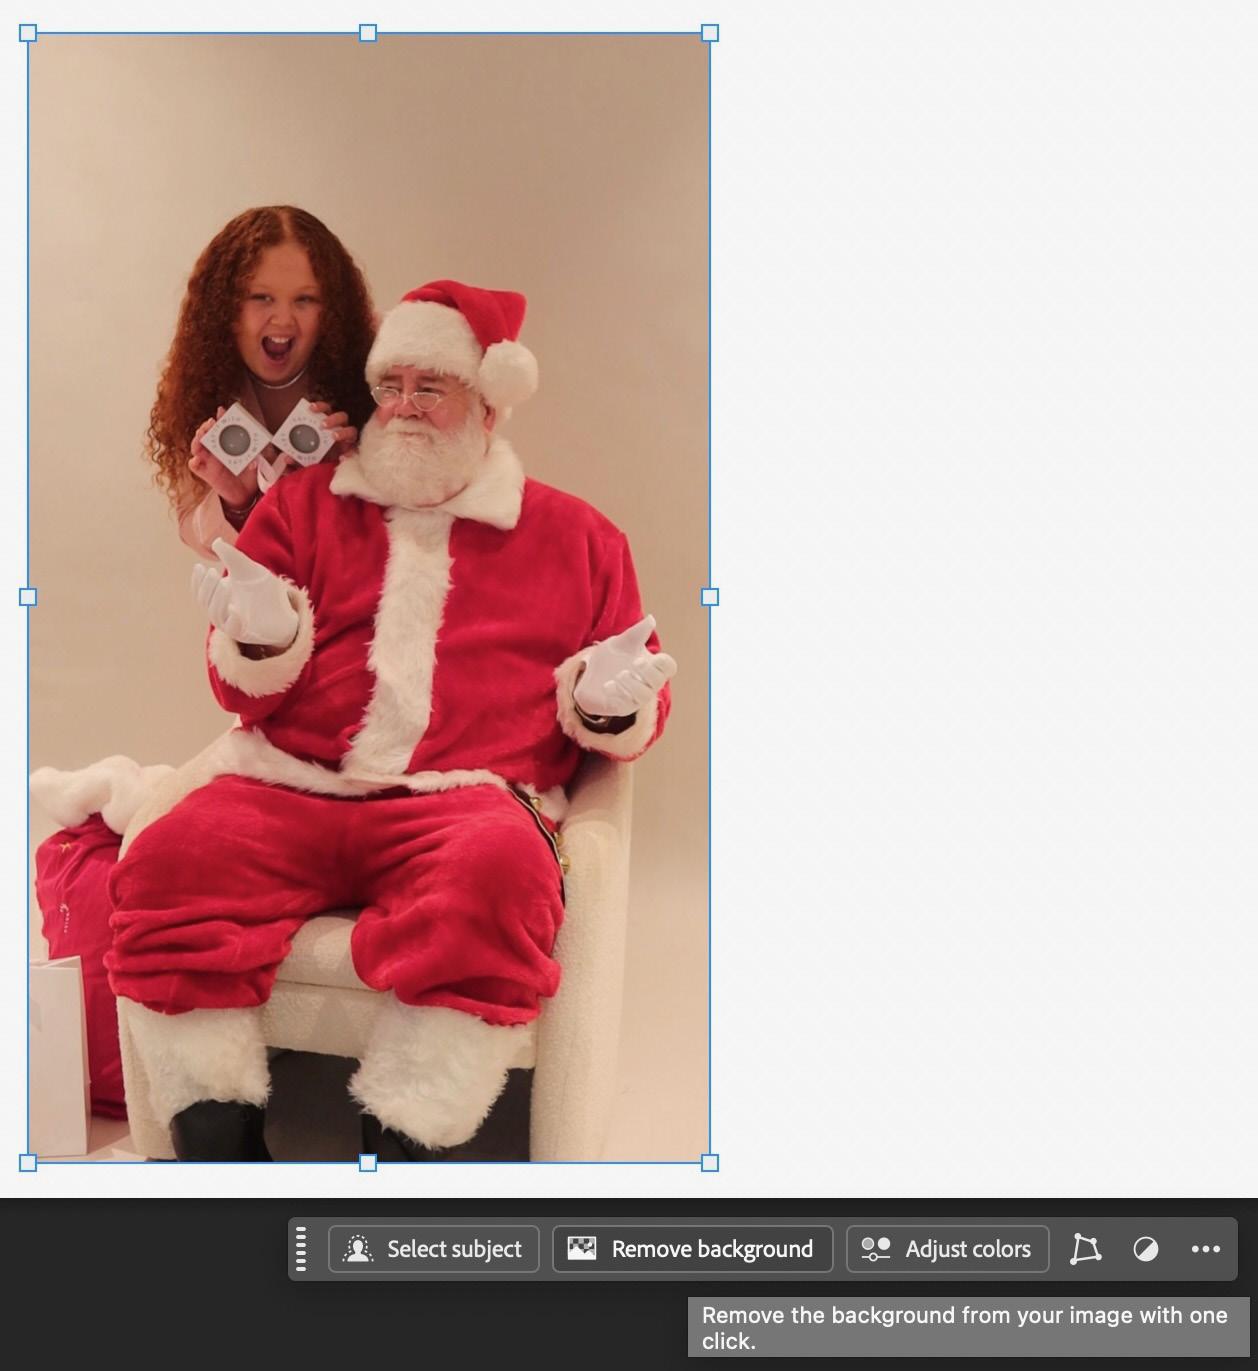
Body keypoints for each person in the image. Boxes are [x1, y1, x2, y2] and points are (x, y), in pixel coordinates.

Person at [105, 280, 677, 1163]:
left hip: (465, 802)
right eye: (392, 385)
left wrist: (608, 700)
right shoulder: (302, 507)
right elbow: (239, 690)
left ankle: (406, 1141)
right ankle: (219, 1144)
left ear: (489, 404)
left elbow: (632, 684)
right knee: (169, 858)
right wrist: (263, 638)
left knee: (504, 875)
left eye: (431, 386)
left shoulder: (580, 538)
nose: (404, 407)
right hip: (291, 787)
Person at [145, 204, 376, 556]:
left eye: (305, 299)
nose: (283, 319)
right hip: (257, 585)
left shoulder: (379, 367)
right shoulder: (199, 383)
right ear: (225, 307)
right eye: (261, 297)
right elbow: (195, 532)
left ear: (331, 310)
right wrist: (236, 504)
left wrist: (353, 476)